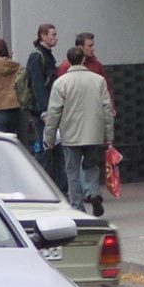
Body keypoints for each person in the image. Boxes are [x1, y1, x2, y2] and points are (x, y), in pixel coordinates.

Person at [43, 46, 114, 216]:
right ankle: (93, 193)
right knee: (91, 166)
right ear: (83, 59)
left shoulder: (61, 83)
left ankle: (77, 207)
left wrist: (49, 137)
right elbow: (107, 109)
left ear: (68, 61)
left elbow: (54, 112)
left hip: (71, 134)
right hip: (94, 133)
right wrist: (108, 136)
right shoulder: (98, 80)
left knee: (72, 170)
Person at [26, 23, 64, 189]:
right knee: (44, 148)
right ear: (43, 36)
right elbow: (38, 85)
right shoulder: (37, 57)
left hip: (49, 109)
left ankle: (55, 186)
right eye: (52, 35)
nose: (56, 38)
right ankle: (42, 186)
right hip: (42, 111)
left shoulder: (46, 55)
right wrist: (44, 111)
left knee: (54, 147)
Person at [56, 32, 116, 117]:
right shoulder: (65, 67)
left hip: (94, 112)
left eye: (93, 45)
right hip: (74, 114)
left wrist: (111, 106)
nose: (93, 49)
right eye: (90, 46)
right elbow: (60, 93)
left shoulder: (97, 65)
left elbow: (107, 88)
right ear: (80, 47)